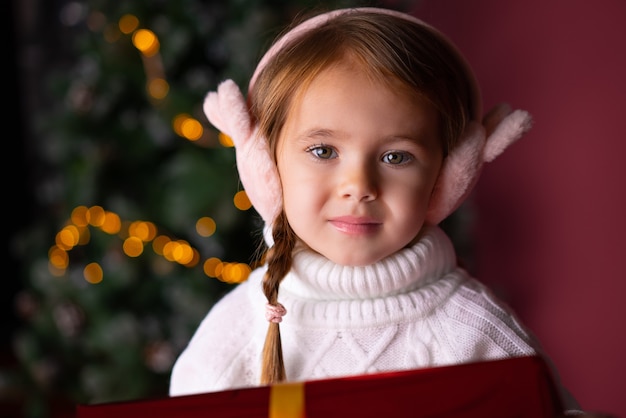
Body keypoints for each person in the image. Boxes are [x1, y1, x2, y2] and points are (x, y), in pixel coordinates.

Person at [169, 7, 584, 414]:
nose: (359, 187)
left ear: (446, 178)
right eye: (323, 150)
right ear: (267, 167)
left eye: (396, 157)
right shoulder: (238, 327)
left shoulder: (474, 334)